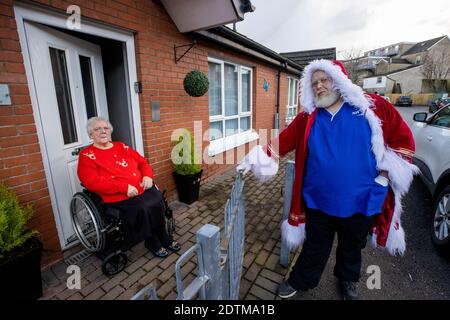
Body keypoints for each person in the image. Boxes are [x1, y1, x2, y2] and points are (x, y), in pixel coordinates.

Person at [237, 59, 418, 300]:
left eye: (324, 80)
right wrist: (255, 159)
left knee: (351, 248)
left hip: (361, 201)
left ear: (339, 80)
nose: (319, 86)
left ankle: (348, 280)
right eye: (314, 83)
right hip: (318, 201)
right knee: (314, 247)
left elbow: (402, 138)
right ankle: (301, 281)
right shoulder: (309, 117)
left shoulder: (371, 107)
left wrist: (385, 176)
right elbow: (283, 141)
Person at [77, 117, 180, 258]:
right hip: (117, 195)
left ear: (110, 131)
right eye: (97, 129)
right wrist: (123, 187)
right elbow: (91, 181)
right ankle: (152, 241)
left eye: (105, 128)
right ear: (90, 134)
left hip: (140, 186)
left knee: (157, 200)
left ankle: (163, 235)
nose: (102, 131)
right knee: (142, 208)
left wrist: (147, 176)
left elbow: (142, 162)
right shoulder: (87, 155)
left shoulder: (121, 146)